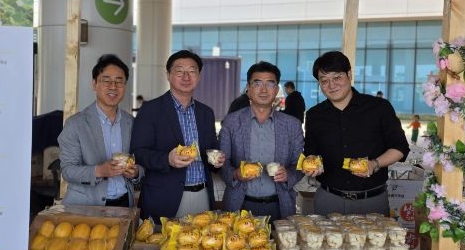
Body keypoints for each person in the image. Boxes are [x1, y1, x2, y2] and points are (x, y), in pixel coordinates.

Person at [303, 51, 409, 215]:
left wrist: (374, 164)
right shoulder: (314, 115)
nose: (331, 85)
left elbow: (400, 147)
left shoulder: (379, 108)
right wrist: (311, 166)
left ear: (349, 75)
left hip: (372, 200)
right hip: (328, 199)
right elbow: (311, 152)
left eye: (337, 77)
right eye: (324, 81)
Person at [131, 50, 224, 221]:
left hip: (202, 194)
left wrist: (217, 159)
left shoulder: (206, 113)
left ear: (199, 76)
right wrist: (167, 159)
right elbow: (138, 152)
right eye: (179, 71)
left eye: (192, 71)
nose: (186, 77)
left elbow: (211, 149)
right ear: (168, 75)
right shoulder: (150, 110)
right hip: (163, 197)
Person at [219, 62, 303, 220]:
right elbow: (222, 162)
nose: (263, 90)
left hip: (280, 205)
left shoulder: (292, 125)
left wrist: (289, 175)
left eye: (270, 84)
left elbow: (299, 164)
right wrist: (235, 174)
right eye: (257, 83)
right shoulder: (232, 121)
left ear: (276, 89)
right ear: (248, 89)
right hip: (239, 204)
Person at [58, 54, 142, 207]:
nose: (113, 86)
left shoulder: (132, 123)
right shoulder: (75, 124)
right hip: (86, 206)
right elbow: (67, 170)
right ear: (94, 84)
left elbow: (142, 162)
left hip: (125, 204)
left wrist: (136, 173)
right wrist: (100, 171)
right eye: (106, 80)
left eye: (119, 81)